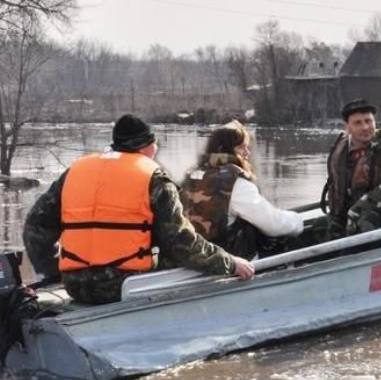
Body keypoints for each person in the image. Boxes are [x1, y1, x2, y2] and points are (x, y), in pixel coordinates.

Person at [23, 114, 255, 305]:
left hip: (74, 285)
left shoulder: (75, 171)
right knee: (180, 256)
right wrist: (230, 262)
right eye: (154, 146)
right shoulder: (153, 178)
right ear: (147, 148)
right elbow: (181, 244)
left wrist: (54, 272)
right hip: (124, 285)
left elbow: (35, 227)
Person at [180, 120, 304, 259]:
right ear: (223, 149)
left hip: (196, 255)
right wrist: (297, 221)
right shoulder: (235, 182)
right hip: (230, 260)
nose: (248, 153)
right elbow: (272, 224)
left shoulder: (192, 175)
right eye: (241, 147)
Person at [321, 99, 381, 234]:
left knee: (364, 223)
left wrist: (356, 211)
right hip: (342, 217)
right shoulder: (338, 148)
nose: (365, 127)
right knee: (319, 226)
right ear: (347, 126)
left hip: (377, 221)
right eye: (358, 123)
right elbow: (334, 183)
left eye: (368, 121)